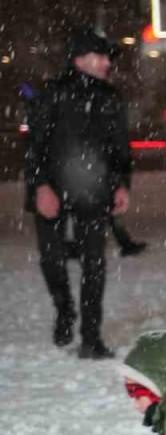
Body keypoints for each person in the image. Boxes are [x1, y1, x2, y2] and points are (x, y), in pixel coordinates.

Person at [24, 26, 136, 358]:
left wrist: (121, 184)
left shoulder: (110, 98)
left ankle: (91, 337)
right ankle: (65, 309)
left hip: (95, 189)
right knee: (52, 259)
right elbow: (36, 146)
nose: (107, 64)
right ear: (80, 60)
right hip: (52, 189)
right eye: (100, 57)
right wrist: (41, 186)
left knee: (94, 264)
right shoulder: (53, 94)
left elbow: (120, 150)